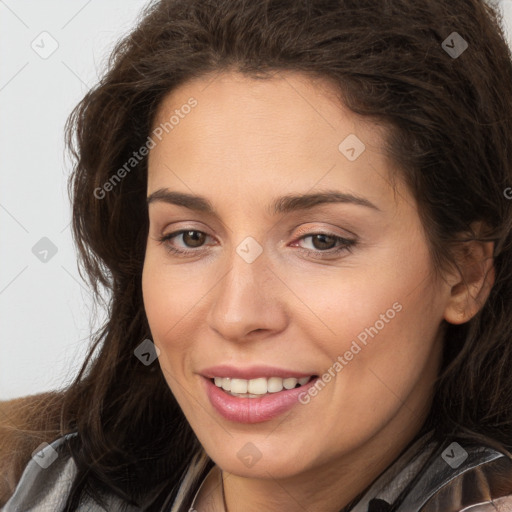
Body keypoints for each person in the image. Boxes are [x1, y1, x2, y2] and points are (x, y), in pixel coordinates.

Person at [2, 0, 512, 510]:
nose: (236, 315)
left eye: (320, 240)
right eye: (191, 237)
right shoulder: (27, 474)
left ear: (465, 272)